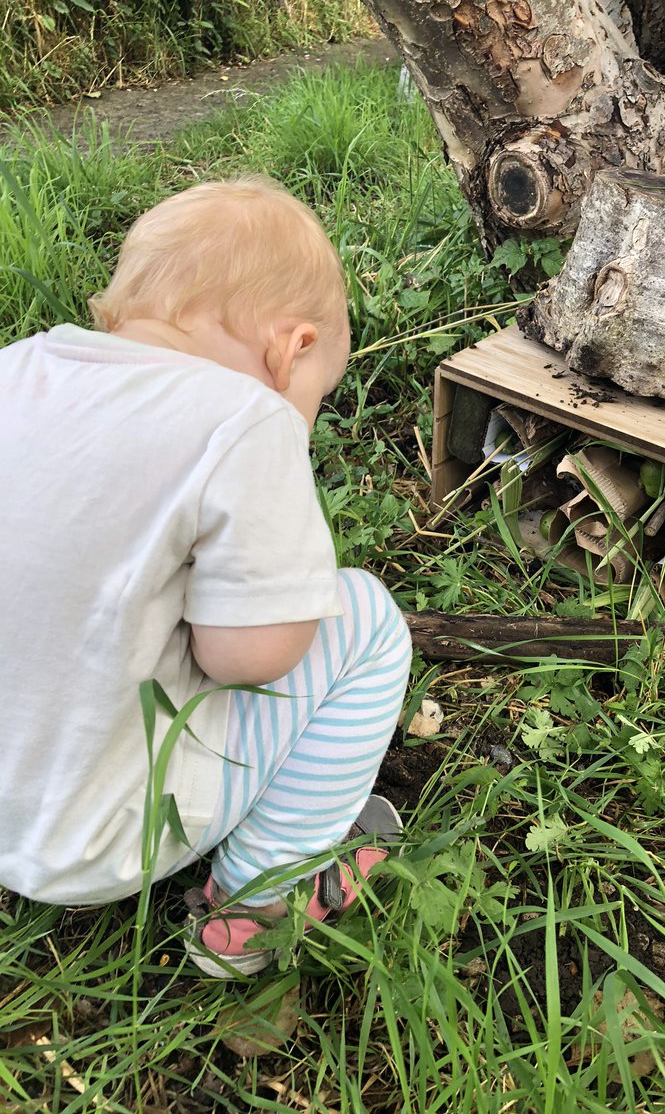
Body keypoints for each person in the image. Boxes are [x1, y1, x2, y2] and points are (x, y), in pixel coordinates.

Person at [0, 176, 412, 977]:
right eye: (318, 397)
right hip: (102, 836)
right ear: (290, 351)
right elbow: (246, 659)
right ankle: (254, 911)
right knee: (366, 621)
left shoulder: (15, 369)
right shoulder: (246, 419)